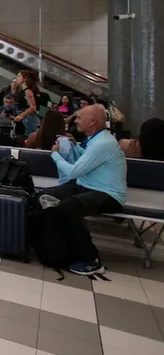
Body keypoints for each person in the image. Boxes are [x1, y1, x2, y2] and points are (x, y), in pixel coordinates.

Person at [39, 105, 127, 275]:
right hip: (88, 187)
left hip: (108, 195)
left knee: (68, 207)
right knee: (44, 196)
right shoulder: (97, 140)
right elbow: (88, 160)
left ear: (92, 121)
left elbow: (73, 171)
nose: (76, 120)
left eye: (79, 117)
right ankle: (54, 247)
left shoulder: (103, 143)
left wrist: (55, 154)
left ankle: (91, 260)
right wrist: (77, 146)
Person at [12, 70, 42, 135]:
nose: (17, 78)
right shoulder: (22, 90)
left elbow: (33, 107)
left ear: (25, 79)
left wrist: (21, 116)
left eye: (19, 76)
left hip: (28, 118)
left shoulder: (28, 91)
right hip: (23, 116)